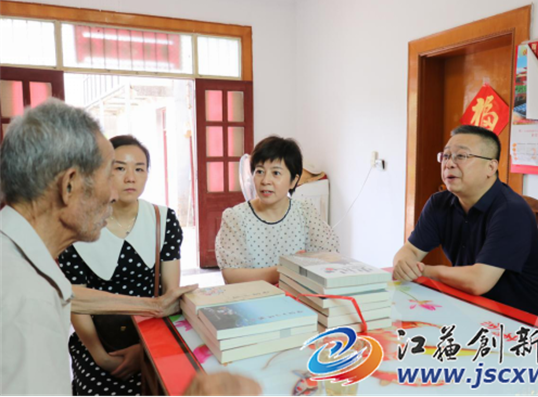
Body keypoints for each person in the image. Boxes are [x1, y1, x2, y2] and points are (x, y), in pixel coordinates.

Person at [0, 99, 261, 396]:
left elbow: (69, 293)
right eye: (108, 175)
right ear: (69, 185)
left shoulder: (20, 256)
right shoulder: (24, 302)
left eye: (139, 169)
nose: (115, 194)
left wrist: (154, 305)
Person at [57, 135, 181, 396]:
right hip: (99, 341)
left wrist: (145, 349)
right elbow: (76, 303)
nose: (130, 178)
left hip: (153, 335)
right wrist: (102, 358)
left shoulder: (163, 219)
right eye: (120, 168)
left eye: (139, 169)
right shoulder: (80, 225)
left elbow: (170, 294)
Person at [393, 125, 538, 319]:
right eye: (446, 156)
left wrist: (424, 271)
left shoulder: (511, 210)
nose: (449, 164)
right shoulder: (439, 203)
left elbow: (478, 282)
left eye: (461, 156)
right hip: (468, 307)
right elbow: (410, 250)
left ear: (490, 167)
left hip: (519, 321)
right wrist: (404, 264)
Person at [216, 136, 339, 284]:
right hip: (252, 297)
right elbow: (231, 276)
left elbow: (329, 257)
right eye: (259, 171)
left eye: (276, 173)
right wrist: (286, 269)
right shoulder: (235, 217)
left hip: (297, 296)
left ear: (293, 181)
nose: (265, 181)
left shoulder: (305, 213)